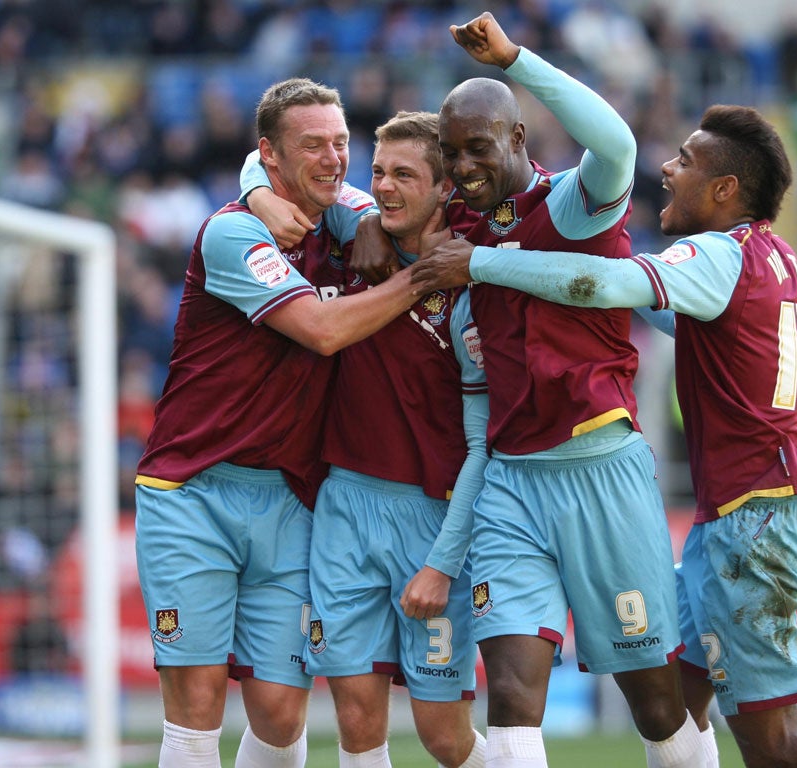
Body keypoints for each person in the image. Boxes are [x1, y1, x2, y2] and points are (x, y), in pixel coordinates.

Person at [411, 104, 797, 768]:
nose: (669, 168)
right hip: (748, 511)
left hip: (755, 519)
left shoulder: (716, 251)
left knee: (774, 749)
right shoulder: (770, 257)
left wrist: (489, 263)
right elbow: (642, 306)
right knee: (674, 709)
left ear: (725, 191)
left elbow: (610, 283)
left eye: (686, 161)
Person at [376, 12, 702, 768]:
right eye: (451, 153)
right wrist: (366, 224)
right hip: (511, 484)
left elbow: (617, 143)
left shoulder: (573, 208)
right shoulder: (459, 218)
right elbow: (390, 200)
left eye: (478, 148)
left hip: (599, 470)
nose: (462, 168)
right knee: (514, 703)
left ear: (518, 138)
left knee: (658, 709)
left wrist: (517, 59)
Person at [133, 77, 419, 768]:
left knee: (283, 712)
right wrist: (423, 279)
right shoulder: (235, 230)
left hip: (291, 497)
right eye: (313, 145)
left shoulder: (346, 216)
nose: (333, 158)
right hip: (193, 492)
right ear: (269, 154)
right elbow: (321, 331)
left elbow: (386, 203)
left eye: (342, 143)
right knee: (197, 706)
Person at [240, 111, 489, 768]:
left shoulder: (471, 284)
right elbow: (264, 162)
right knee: (354, 715)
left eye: (404, 175)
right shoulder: (354, 229)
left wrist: (443, 561)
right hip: (344, 506)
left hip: (431, 519)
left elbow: (483, 445)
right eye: (377, 172)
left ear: (445, 190)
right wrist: (262, 195)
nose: (382, 188)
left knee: (443, 736)